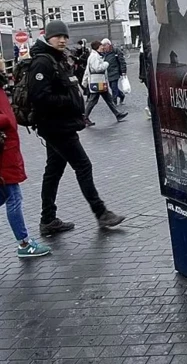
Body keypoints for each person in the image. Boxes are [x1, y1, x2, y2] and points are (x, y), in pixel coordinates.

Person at [27, 21, 126, 235]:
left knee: (53, 171)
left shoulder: (57, 58)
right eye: (57, 36)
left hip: (61, 125)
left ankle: (48, 220)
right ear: (48, 37)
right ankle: (101, 213)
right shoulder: (43, 62)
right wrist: (68, 102)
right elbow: (39, 96)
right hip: (56, 127)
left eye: (64, 36)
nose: (62, 40)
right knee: (83, 165)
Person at [0, 60, 51, 257]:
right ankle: (24, 243)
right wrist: (9, 118)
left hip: (7, 150)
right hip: (3, 152)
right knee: (13, 198)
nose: (3, 61)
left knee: (6, 196)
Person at [82, 41, 128, 127]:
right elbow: (97, 68)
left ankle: (117, 114)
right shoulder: (94, 57)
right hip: (97, 82)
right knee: (93, 101)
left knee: (108, 99)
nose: (102, 47)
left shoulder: (95, 56)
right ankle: (84, 117)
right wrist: (106, 64)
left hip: (100, 82)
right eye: (101, 46)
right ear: (97, 47)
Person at [101, 38, 127, 105]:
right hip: (108, 73)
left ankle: (114, 102)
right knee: (111, 87)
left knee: (114, 87)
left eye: (104, 45)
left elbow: (122, 61)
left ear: (108, 44)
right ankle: (121, 95)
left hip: (115, 71)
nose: (103, 47)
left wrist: (123, 71)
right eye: (102, 45)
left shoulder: (115, 50)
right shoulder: (103, 53)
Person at [139, 45, 151, 119]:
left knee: (151, 91)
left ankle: (150, 107)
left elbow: (141, 65)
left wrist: (140, 75)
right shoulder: (149, 51)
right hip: (149, 74)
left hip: (144, 75)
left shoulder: (141, 53)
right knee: (152, 91)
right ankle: (149, 107)